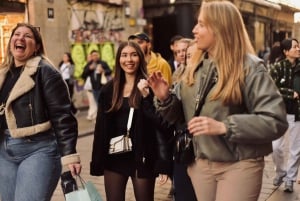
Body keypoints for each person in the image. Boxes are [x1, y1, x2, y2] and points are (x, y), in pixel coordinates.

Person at [145, 1, 288, 201]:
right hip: (201, 164)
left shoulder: (250, 67)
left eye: (202, 24)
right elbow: (180, 117)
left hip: (240, 164)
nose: (194, 30)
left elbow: (276, 121)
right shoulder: (193, 66)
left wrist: (224, 126)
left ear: (220, 27)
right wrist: (165, 98)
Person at [0, 23, 81, 201]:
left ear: (37, 46)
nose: (20, 38)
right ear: (10, 41)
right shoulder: (4, 73)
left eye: (27, 36)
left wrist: (69, 156)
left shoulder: (46, 72)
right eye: (17, 34)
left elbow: (63, 116)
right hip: (4, 152)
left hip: (38, 150)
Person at [90, 41, 173, 201]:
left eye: (134, 55)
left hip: (142, 156)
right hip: (115, 155)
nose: (129, 59)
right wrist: (97, 160)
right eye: (124, 55)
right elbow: (100, 129)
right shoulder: (109, 89)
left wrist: (147, 97)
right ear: (118, 59)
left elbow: (163, 124)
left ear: (140, 58)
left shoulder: (151, 86)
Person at [269, 38, 300, 192]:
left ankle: (290, 179)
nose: (298, 49)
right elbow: (270, 88)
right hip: (279, 112)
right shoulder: (277, 67)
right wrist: (290, 93)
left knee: (295, 149)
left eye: (298, 46)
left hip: (297, 113)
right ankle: (281, 172)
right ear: (286, 51)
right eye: (295, 47)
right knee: (276, 148)